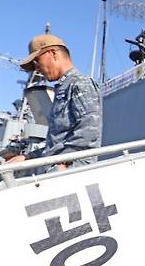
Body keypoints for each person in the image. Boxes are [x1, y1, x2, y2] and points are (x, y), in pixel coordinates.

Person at [8, 34, 102, 171]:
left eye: (37, 62)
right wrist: (28, 157)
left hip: (73, 172)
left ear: (53, 53)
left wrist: (62, 165)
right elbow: (55, 147)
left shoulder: (80, 83)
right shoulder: (62, 88)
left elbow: (88, 134)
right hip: (57, 169)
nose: (37, 69)